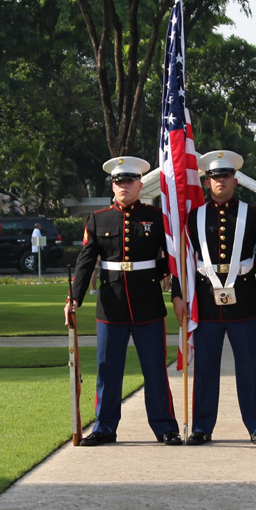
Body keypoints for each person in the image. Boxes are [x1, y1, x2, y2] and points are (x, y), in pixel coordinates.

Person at [64, 156, 182, 446]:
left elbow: (173, 259)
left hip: (148, 303)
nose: (124, 186)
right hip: (111, 306)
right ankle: (104, 427)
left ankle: (166, 427)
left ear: (140, 184)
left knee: (155, 371)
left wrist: (176, 291)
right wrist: (74, 298)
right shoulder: (97, 219)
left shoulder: (156, 218)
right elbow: (86, 261)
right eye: (119, 181)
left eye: (129, 181)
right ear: (113, 186)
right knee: (108, 370)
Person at [171, 150, 256, 446]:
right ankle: (202, 427)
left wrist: (249, 266)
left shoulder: (252, 214)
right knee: (205, 369)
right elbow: (183, 261)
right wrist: (178, 295)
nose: (220, 181)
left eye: (226, 176)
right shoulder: (193, 218)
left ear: (235, 180)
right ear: (206, 182)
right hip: (204, 304)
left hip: (242, 300)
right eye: (215, 177)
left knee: (248, 368)